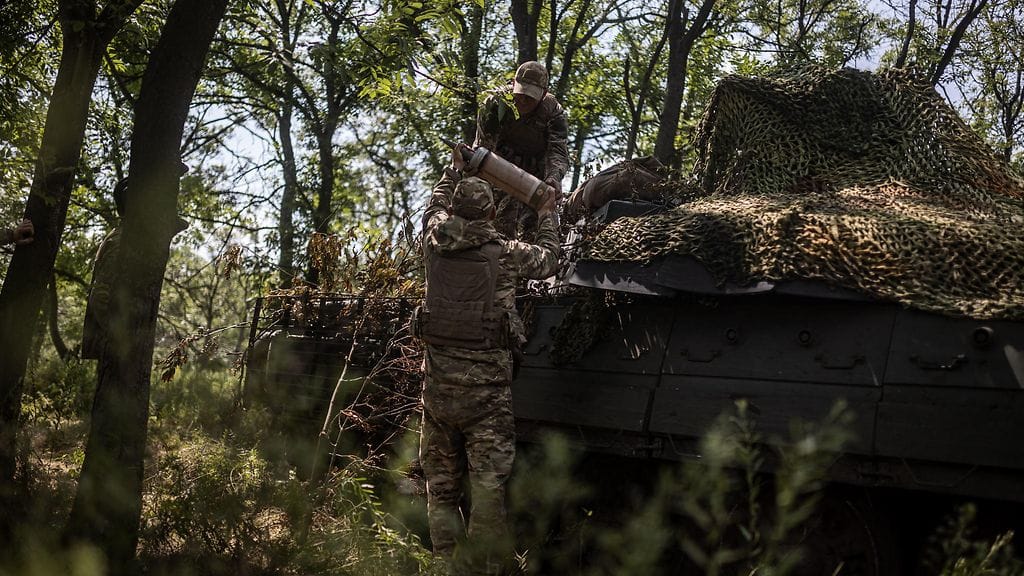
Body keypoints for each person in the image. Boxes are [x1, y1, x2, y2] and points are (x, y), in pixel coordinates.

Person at [417, 149, 560, 575]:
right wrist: (548, 212)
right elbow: (551, 259)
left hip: (438, 391)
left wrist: (452, 171)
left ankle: (446, 565)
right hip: (487, 397)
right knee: (486, 487)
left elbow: (432, 207)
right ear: (492, 212)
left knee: (440, 487)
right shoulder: (508, 252)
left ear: (456, 208)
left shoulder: (434, 240)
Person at [82, 166, 188, 359]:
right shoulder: (121, 242)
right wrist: (119, 337)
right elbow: (100, 294)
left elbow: (175, 223)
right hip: (116, 351)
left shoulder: (136, 239)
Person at [475, 60, 569, 241]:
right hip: (498, 170)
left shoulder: (553, 113)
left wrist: (554, 177)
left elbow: (557, 151)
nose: (524, 101)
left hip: (535, 177)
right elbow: (483, 150)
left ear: (543, 95)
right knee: (496, 228)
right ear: (512, 85)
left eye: (530, 97)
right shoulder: (495, 105)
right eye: (521, 94)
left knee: (535, 231)